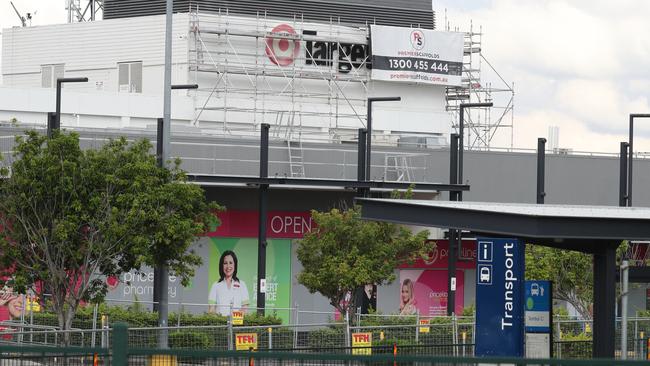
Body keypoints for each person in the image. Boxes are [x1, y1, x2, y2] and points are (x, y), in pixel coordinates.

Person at [208, 250, 249, 316]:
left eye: (230, 263)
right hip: (220, 324)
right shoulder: (215, 285)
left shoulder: (242, 285)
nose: (228, 266)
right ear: (221, 265)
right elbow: (211, 310)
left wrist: (233, 320)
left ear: (235, 265)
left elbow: (245, 309)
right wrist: (220, 320)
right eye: (225, 263)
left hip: (237, 324)